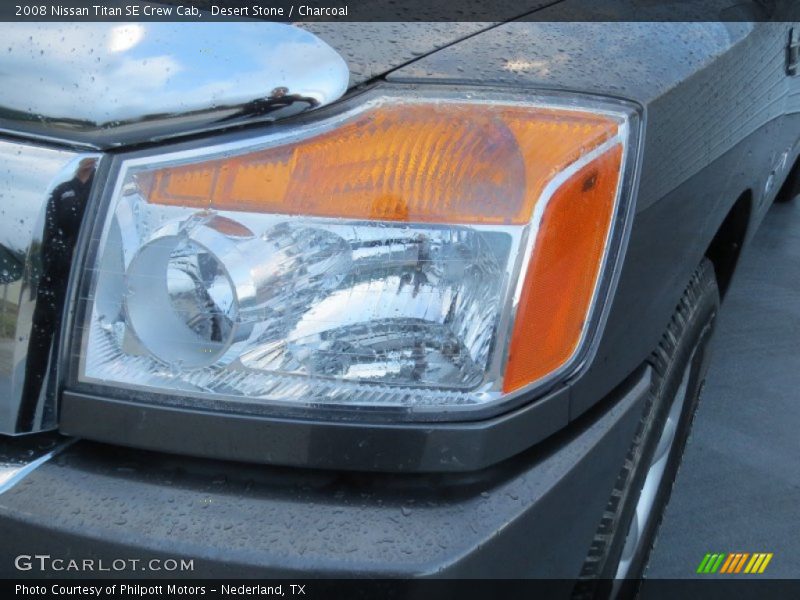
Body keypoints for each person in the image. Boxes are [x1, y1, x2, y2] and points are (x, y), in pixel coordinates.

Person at [18, 157, 96, 429]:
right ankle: (24, 421)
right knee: (36, 358)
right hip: (51, 285)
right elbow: (49, 241)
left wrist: (77, 256)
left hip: (78, 292)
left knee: (62, 363)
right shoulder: (62, 191)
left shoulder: (101, 190)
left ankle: (51, 424)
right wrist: (68, 254)